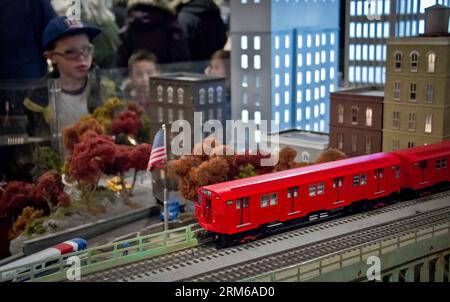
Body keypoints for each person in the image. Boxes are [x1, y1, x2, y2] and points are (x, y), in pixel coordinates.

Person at [24, 16, 107, 136]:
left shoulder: (106, 88)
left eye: (86, 49)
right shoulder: (38, 101)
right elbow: (35, 146)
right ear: (51, 57)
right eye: (70, 52)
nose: (81, 57)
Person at [116, 0, 190, 67]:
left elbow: (121, 63)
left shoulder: (129, 25)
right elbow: (182, 62)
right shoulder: (170, 22)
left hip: (137, 79)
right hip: (165, 80)